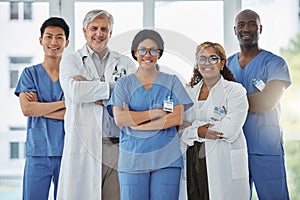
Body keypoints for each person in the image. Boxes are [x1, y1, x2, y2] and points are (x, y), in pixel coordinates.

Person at [57, 9, 136, 200]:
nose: (98, 33)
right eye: (94, 28)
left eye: (104, 29)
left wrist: (92, 89)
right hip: (83, 144)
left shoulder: (124, 62)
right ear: (84, 31)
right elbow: (76, 91)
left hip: (116, 146)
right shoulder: (71, 60)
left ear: (110, 33)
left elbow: (134, 94)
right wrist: (114, 90)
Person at [107, 29, 193, 200]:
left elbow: (176, 118)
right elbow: (120, 118)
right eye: (142, 50)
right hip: (133, 159)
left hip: (167, 160)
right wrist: (157, 114)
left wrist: (136, 121)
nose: (148, 55)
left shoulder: (172, 81)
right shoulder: (123, 84)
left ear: (159, 53)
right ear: (135, 53)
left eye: (153, 50)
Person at [227, 9, 291, 200]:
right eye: (241, 25)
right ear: (235, 30)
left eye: (252, 24)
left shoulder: (275, 63)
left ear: (260, 28)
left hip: (266, 148)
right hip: (235, 148)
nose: (246, 28)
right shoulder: (226, 65)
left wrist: (232, 104)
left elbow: (267, 101)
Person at [180, 41, 250, 200]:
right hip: (193, 160)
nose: (207, 63)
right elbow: (178, 129)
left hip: (223, 160)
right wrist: (198, 130)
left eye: (213, 58)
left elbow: (230, 129)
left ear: (222, 63)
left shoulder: (235, 91)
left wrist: (192, 127)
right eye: (202, 59)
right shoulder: (188, 92)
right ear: (197, 64)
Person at [14, 17, 69, 200]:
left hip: (67, 153)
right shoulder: (30, 74)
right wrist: (64, 104)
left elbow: (75, 115)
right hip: (37, 152)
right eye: (49, 36)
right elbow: (28, 109)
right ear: (41, 40)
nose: (54, 42)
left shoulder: (72, 78)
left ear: (66, 42)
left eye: (59, 37)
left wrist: (41, 107)